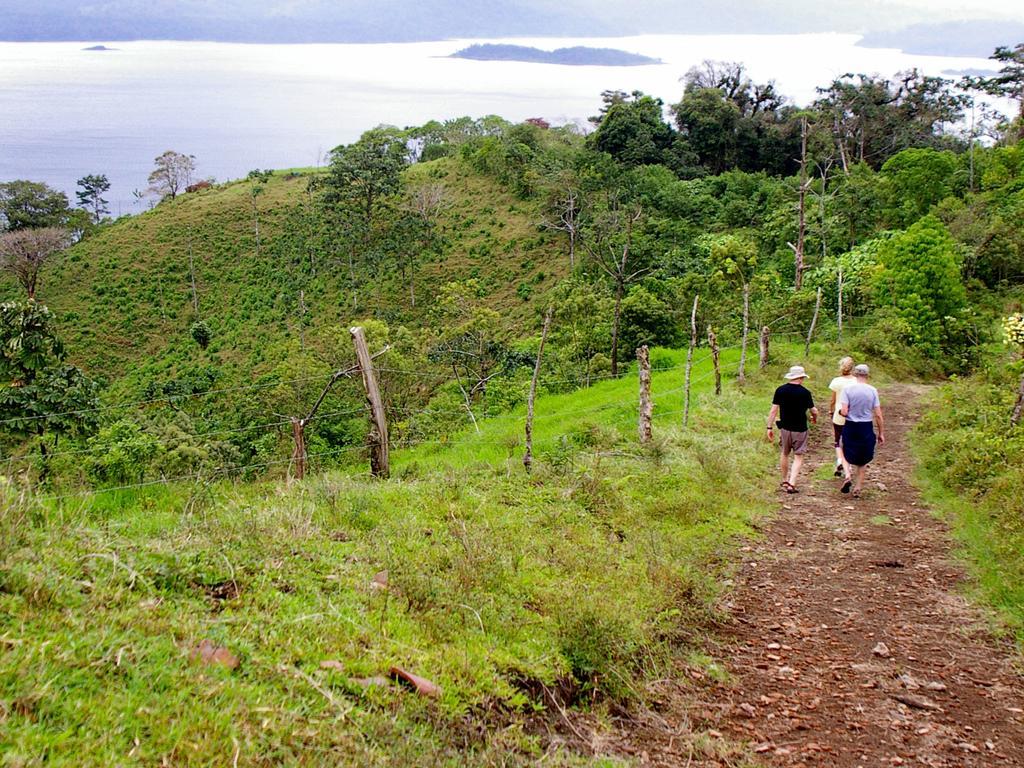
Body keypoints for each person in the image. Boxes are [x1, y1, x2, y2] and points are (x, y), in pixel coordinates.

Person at [766, 365, 818, 494]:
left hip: (785, 427)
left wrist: (769, 427)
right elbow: (813, 410)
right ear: (801, 378)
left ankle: (784, 480)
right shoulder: (805, 393)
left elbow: (773, 410)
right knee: (798, 456)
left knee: (784, 453)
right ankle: (792, 483)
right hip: (800, 428)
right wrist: (814, 417)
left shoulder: (780, 390)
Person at [839, 363, 885, 498]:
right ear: (867, 375)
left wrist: (841, 413)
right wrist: (881, 433)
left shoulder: (847, 390)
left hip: (851, 425)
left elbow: (845, 411)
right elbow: (878, 414)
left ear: (854, 374)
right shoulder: (872, 390)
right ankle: (858, 486)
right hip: (866, 426)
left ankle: (847, 475)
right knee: (863, 457)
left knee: (843, 447)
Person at [828, 356, 858, 493]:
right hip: (853, 414)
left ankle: (840, 460)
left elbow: (833, 400)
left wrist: (830, 410)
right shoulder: (857, 382)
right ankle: (848, 465)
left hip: (839, 414)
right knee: (850, 441)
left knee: (837, 440)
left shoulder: (836, 381)